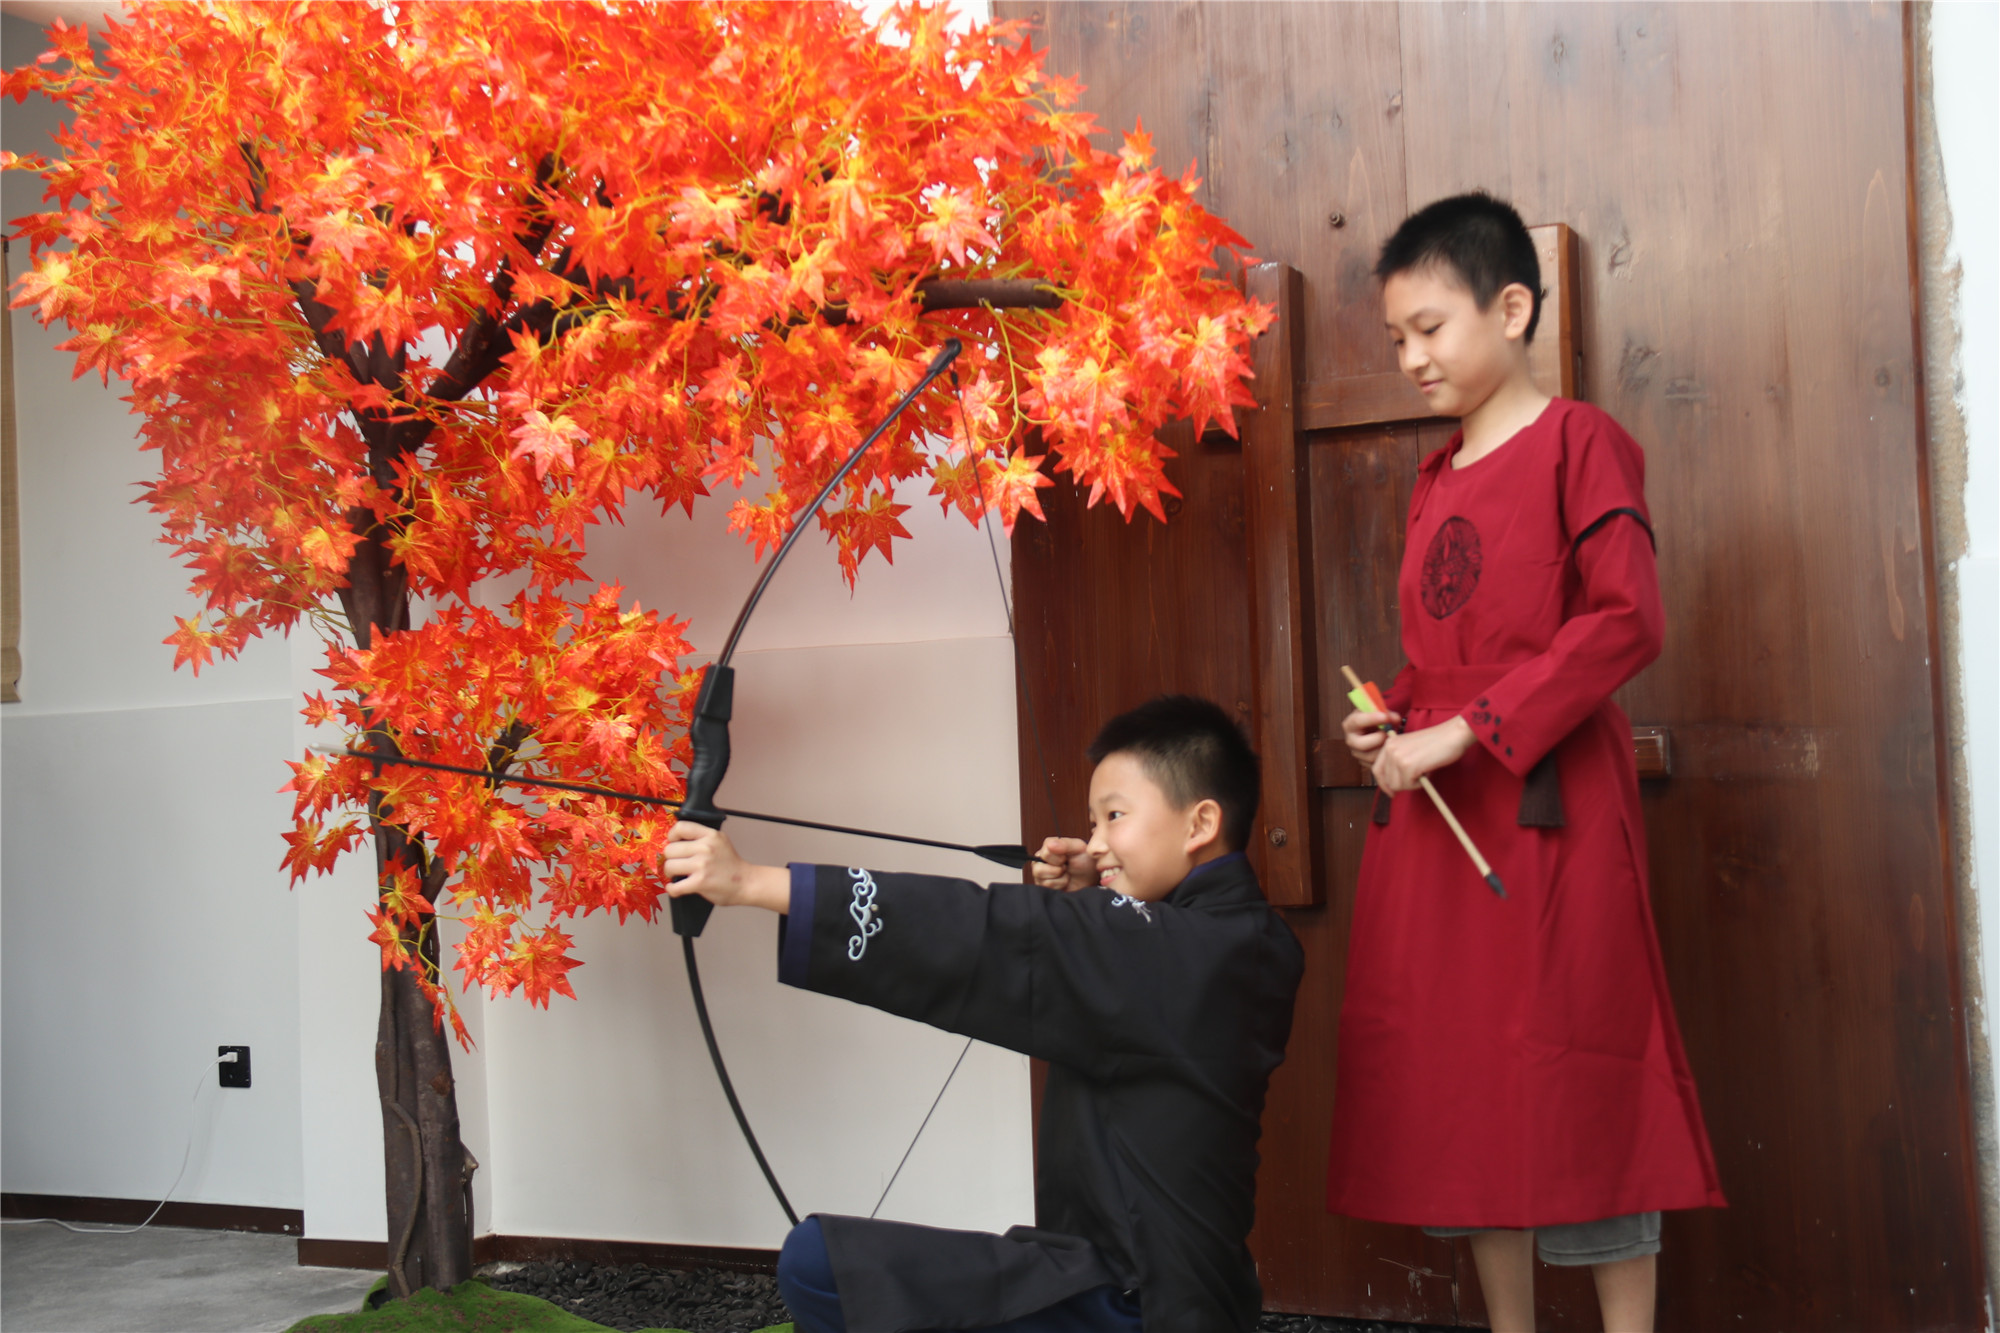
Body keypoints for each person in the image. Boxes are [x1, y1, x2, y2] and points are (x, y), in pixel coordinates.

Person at [1322, 193, 1725, 1333]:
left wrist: (1467, 727)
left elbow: (1626, 620)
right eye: (1396, 337)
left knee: (1581, 1066)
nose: (1410, 357)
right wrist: (1389, 716)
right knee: (1467, 1085)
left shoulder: (1579, 442)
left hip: (1549, 808)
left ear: (1511, 308)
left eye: (1429, 328)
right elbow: (1436, 656)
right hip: (1441, 820)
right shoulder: (1433, 477)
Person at [663, 694, 1304, 1333]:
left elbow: (988, 932)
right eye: (1093, 823)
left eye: (1114, 817)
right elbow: (1129, 977)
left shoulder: (1188, 951)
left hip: (1139, 1306)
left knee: (821, 1264)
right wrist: (1102, 897)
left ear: (1199, 824)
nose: (1095, 842)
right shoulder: (1246, 942)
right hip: (1163, 1291)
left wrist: (753, 884)